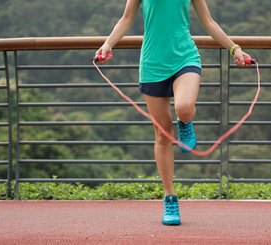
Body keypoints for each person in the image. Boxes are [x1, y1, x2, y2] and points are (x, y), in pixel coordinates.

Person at [95, 0, 250, 226]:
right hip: (152, 64)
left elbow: (208, 21)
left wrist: (234, 48)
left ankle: (185, 122)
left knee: (184, 107)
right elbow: (126, 18)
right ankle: (170, 198)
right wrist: (108, 44)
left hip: (185, 57)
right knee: (162, 134)